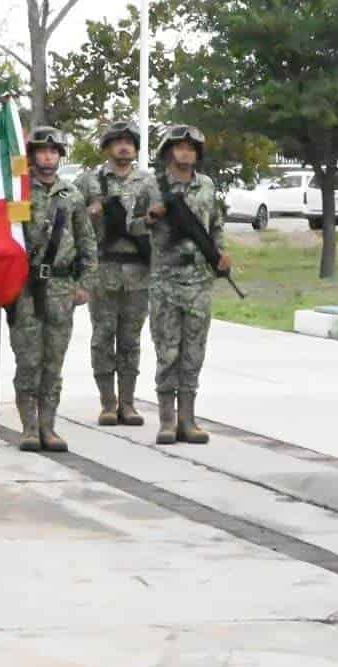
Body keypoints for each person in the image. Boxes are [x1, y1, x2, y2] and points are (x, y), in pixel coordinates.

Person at [135, 124, 230, 446]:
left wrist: (222, 252)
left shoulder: (206, 186)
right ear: (168, 151)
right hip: (166, 280)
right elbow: (129, 224)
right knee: (168, 352)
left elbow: (215, 225)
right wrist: (151, 217)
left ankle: (188, 420)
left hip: (199, 281)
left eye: (191, 147)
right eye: (179, 147)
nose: (186, 152)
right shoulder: (151, 186)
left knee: (193, 353)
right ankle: (166, 420)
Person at [9, 127, 97, 452]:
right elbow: (6, 241)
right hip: (26, 287)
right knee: (28, 359)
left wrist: (85, 283)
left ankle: (49, 426)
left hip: (61, 288)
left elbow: (87, 242)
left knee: (53, 361)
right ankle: (29, 427)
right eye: (42, 151)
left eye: (54, 151)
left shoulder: (71, 195)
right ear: (31, 155)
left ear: (60, 155)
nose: (48, 156)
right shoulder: (19, 192)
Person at [75, 122, 155, 427]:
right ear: (107, 147)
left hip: (137, 273)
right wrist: (91, 212)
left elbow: (161, 224)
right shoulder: (89, 181)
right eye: (117, 142)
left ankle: (129, 403)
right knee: (103, 337)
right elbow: (71, 219)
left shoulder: (148, 183)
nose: (124, 147)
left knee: (131, 340)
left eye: (129, 142)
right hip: (103, 271)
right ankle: (108, 403)